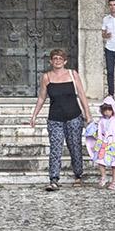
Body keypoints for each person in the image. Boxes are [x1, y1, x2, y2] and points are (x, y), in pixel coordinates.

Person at [28, 47, 90, 191]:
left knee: (74, 147)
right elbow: (42, 97)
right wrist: (34, 115)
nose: (57, 61)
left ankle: (78, 175)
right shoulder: (46, 77)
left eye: (60, 58)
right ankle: (54, 179)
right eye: (55, 58)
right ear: (51, 61)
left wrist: (88, 114)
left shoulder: (73, 74)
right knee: (55, 149)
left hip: (74, 116)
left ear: (65, 61)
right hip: (55, 118)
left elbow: (81, 94)